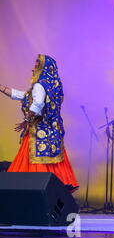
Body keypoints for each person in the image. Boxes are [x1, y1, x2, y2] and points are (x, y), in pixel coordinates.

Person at [0, 54, 78, 192]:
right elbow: (21, 95)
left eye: (36, 65)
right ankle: (52, 193)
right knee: (51, 164)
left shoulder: (39, 85)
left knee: (34, 166)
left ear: (43, 68)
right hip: (51, 134)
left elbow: (37, 104)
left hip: (38, 134)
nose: (32, 69)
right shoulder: (48, 87)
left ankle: (30, 192)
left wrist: (27, 120)